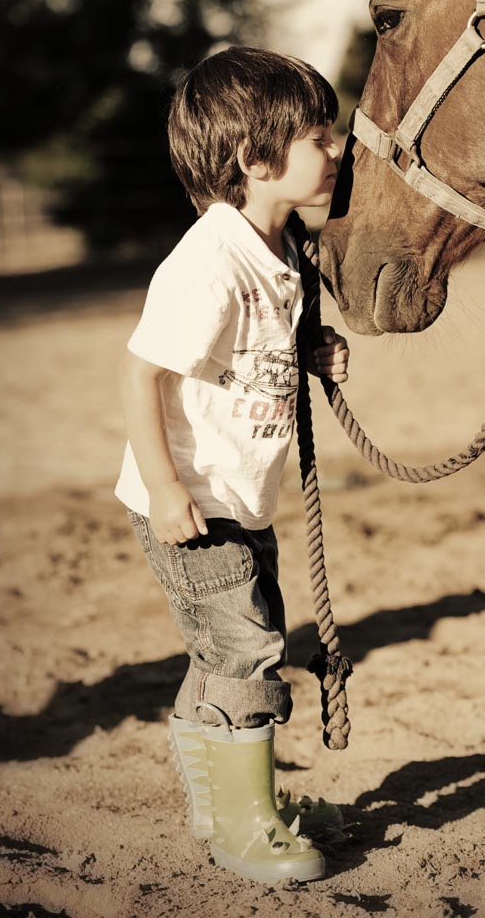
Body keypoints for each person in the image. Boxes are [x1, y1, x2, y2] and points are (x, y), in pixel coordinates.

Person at [115, 47, 350, 885]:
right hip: (193, 500)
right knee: (248, 649)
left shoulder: (280, 248)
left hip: (241, 497)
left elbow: (249, 350)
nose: (337, 149)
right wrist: (166, 487)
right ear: (256, 160)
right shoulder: (210, 260)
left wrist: (311, 350)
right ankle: (248, 823)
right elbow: (140, 374)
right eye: (319, 137)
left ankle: (222, 806)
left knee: (223, 650)